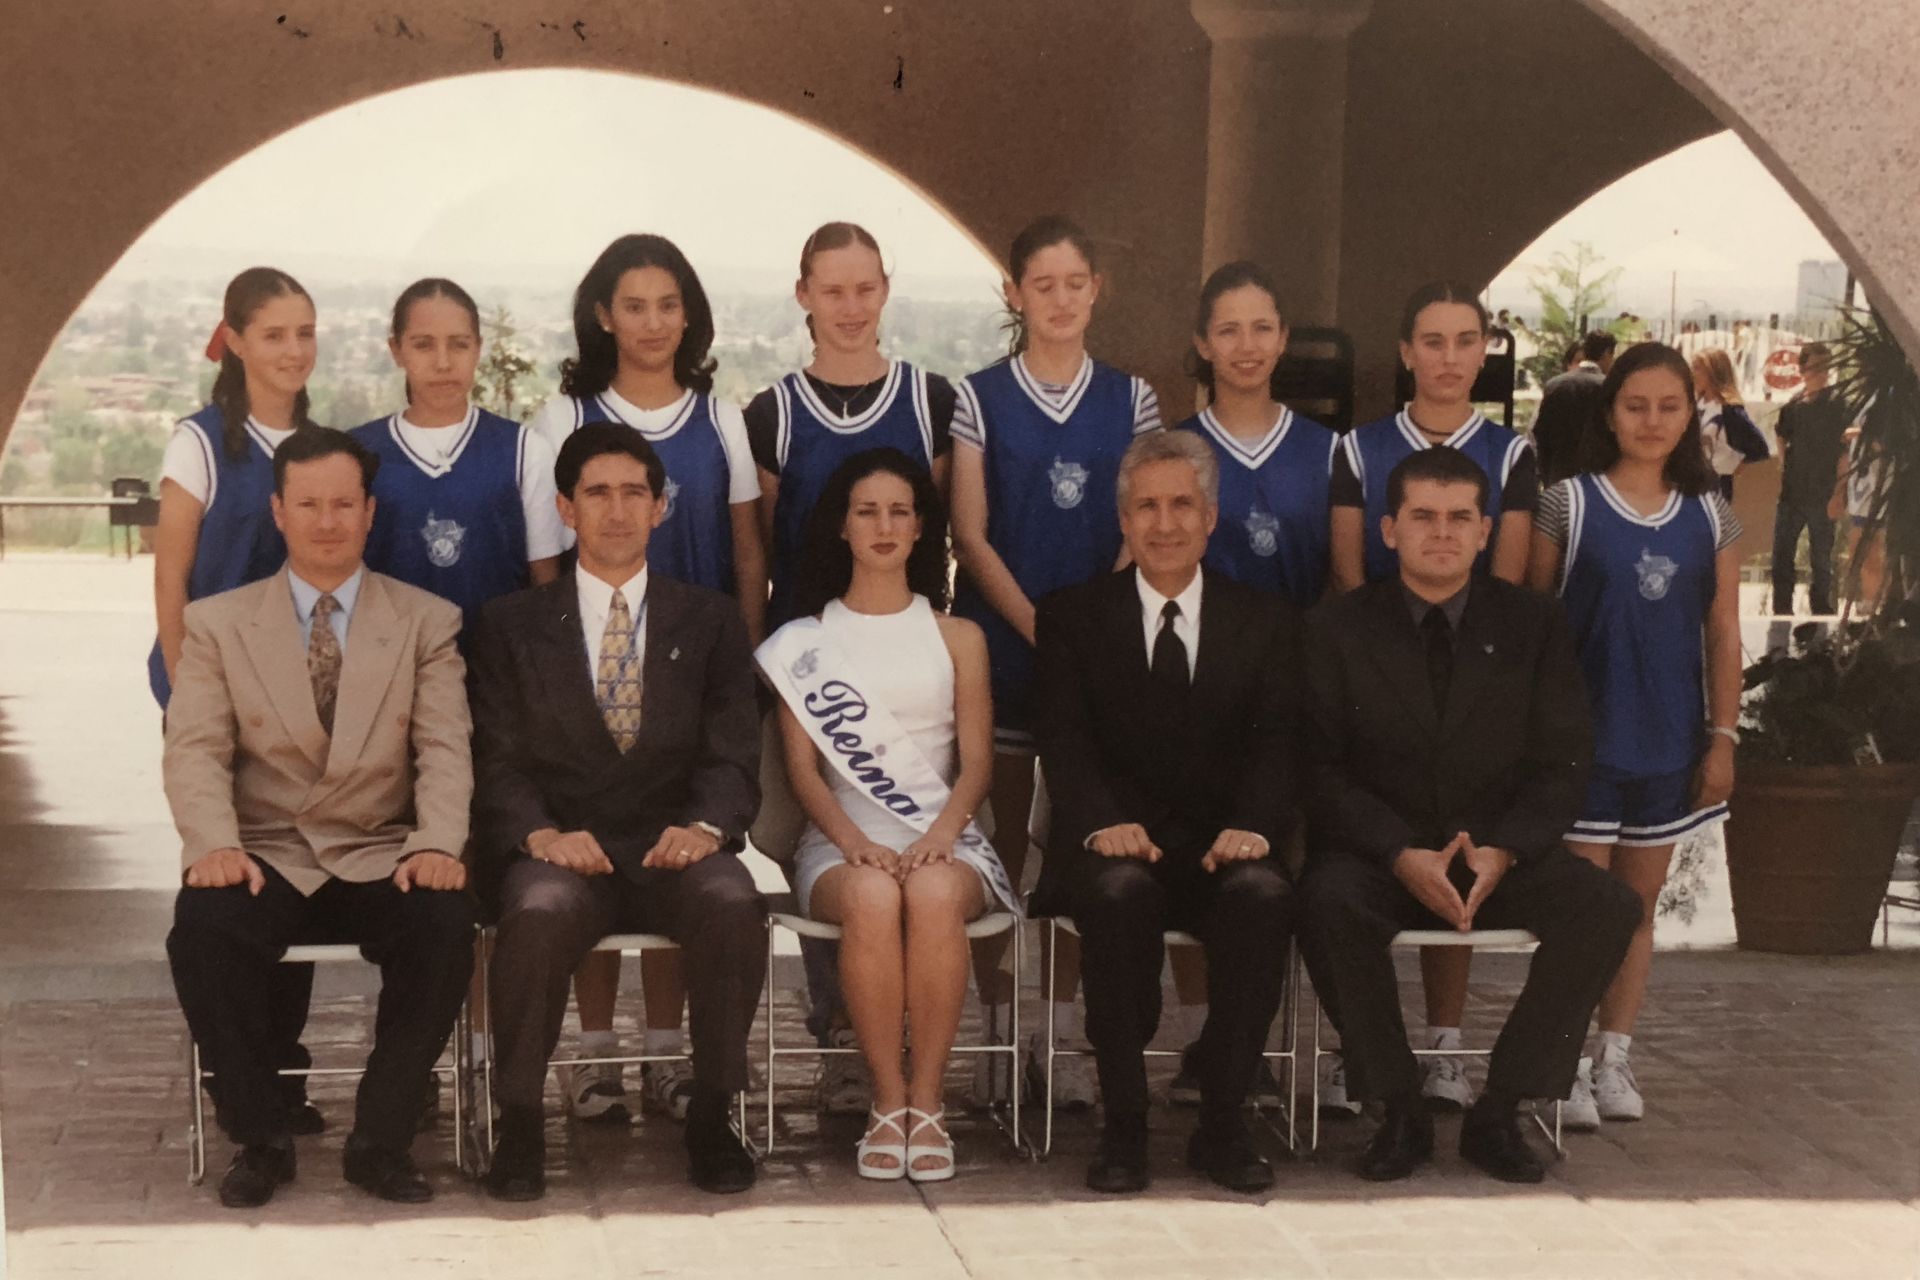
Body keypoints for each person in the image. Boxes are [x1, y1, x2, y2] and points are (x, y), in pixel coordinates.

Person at [1301, 445, 1640, 1185]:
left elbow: (1564, 762)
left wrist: (1505, 851)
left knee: (1607, 906)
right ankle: (1398, 1106)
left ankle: (1503, 1106)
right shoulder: (1338, 627)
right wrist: (1396, 851)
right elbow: (1317, 770)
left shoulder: (1535, 625)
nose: (1443, 533)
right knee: (1322, 901)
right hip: (1382, 857)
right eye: (1423, 516)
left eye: (1461, 518)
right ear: (1388, 530)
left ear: (1486, 532)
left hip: (1496, 855)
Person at [164, 427, 477, 1209]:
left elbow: (446, 748)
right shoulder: (218, 622)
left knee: (445, 924)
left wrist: (438, 842)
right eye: (309, 503)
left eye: (344, 503)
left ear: (370, 513)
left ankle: (381, 1138)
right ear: (278, 510)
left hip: (379, 850)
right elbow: (193, 749)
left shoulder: (425, 620)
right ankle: (260, 1136)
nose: (328, 520)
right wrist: (213, 844)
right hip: (268, 851)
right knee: (202, 929)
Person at [469, 425, 764, 1200]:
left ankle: (713, 1115)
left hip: (677, 848)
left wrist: (704, 828)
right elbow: (494, 759)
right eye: (597, 492)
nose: (618, 510)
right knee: (533, 912)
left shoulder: (712, 620)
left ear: (662, 508)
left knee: (735, 903)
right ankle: (523, 1123)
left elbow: (735, 751)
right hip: (567, 852)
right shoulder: (509, 625)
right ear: (566, 507)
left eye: (636, 492)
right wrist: (540, 835)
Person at [525, 235, 765, 1126]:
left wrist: (745, 660)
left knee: (679, 848)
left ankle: (668, 1050)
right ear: (602, 314)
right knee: (592, 846)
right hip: (593, 666)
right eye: (635, 305)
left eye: (670, 305)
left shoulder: (719, 418)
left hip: (692, 668)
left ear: (689, 315)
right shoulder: (563, 416)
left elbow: (746, 549)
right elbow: (546, 558)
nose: (654, 323)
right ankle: (592, 1053)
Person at [1034, 430, 1300, 1194]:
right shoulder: (1074, 617)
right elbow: (1065, 741)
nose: (1165, 522)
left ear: (1211, 517)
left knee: (1265, 898)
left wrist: (1254, 826)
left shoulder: (1266, 620)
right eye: (1146, 506)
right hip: (1116, 846)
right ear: (1123, 520)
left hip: (1226, 846)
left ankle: (1223, 1122)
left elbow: (1280, 743)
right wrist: (1099, 823)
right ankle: (1124, 1130)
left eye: (1182, 504)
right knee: (1119, 896)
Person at [744, 221, 958, 1116]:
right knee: (830, 853)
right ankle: (843, 1039)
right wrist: (768, 677)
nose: (850, 306)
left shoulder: (931, 400)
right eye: (832, 290)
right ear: (803, 295)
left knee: (921, 861)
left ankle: (924, 1053)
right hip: (810, 681)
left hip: (909, 672)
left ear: (885, 290)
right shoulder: (771, 412)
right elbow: (755, 553)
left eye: (866, 287)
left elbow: (939, 533)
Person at [952, 214, 1162, 1110]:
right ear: (1014, 294)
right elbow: (970, 532)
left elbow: (1139, 526)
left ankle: (1068, 1033)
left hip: (1099, 654)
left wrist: (1085, 635)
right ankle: (1000, 1032)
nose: (1063, 299)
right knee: (995, 844)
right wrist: (1043, 628)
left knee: (1083, 840)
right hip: (1003, 643)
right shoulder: (978, 397)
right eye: (1044, 285)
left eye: (1077, 282)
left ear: (1095, 290)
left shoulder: (1133, 399)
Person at [759, 448, 1013, 1181]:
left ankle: (928, 1104)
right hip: (839, 841)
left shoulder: (959, 636)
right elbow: (804, 773)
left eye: (900, 510)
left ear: (919, 528)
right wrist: (853, 842)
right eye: (867, 510)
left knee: (932, 893)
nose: (884, 525)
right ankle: (886, 1100)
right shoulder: (805, 643)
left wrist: (940, 837)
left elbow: (977, 765)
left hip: (944, 833)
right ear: (841, 526)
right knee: (873, 896)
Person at [1328, 281, 1539, 1115]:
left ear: (1484, 350)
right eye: (1433, 341)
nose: (1449, 358)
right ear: (1406, 352)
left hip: (1468, 690)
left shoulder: (1511, 453)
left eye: (1465, 341)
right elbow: (1349, 573)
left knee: (1455, 851)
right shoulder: (1359, 448)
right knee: (1365, 868)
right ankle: (1361, 1048)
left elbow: (1510, 580)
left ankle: (1446, 1047)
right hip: (1376, 681)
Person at [1528, 341, 1741, 1130]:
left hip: (1669, 742)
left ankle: (1611, 1056)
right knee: (1587, 910)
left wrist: (1723, 737)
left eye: (1669, 406)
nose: (1652, 421)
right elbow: (1535, 626)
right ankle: (1562, 1062)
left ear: (1691, 415)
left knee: (1638, 907)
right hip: (1585, 744)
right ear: (1609, 412)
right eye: (1635, 405)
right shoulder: (1568, 504)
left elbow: (1723, 634)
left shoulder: (1710, 513)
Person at [151, 266, 324, 1137]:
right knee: (225, 892)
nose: (292, 350)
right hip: (213, 706)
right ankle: (237, 1079)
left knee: (293, 876)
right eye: (274, 334)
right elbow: (172, 577)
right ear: (236, 339)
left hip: (298, 715)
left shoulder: (318, 446)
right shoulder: (199, 443)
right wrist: (191, 705)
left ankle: (282, 1075)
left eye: (305, 333)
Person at [1165, 260, 1333, 1107]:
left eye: (1261, 327)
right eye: (1227, 329)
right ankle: (1208, 1042)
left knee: (1284, 875)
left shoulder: (1326, 451)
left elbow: (1341, 584)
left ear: (1283, 339)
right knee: (1206, 872)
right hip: (1203, 705)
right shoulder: (1177, 452)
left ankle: (1267, 1044)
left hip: (1294, 702)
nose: (1246, 345)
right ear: (1202, 343)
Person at [353, 278, 568, 633]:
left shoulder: (524, 450)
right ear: (396, 350)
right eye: (423, 345)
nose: (442, 362)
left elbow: (544, 584)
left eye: (459, 344)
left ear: (478, 348)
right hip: (390, 672)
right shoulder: (358, 452)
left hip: (496, 674)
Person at [1770, 342, 1849, 616]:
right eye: (1815, 367)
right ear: (1802, 369)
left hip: (1823, 493)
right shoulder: (1793, 406)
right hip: (1792, 495)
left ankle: (1822, 616)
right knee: (1782, 558)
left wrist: (1839, 493)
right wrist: (1783, 465)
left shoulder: (1837, 404)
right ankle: (1781, 613)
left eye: (1826, 367)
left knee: (1822, 562)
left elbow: (1844, 452)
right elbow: (1780, 433)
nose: (1822, 373)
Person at [1532, 330, 1616, 487]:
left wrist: (1545, 474)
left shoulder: (1554, 385)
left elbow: (1541, 433)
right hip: (1596, 479)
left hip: (1558, 476)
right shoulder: (1608, 388)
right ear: (1607, 353)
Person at [1691, 347, 1769, 501]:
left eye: (1698, 369)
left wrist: (1737, 467)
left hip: (1716, 486)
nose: (1693, 374)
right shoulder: (1696, 405)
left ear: (1713, 372)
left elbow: (1759, 448)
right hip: (1692, 483)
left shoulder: (1728, 410)